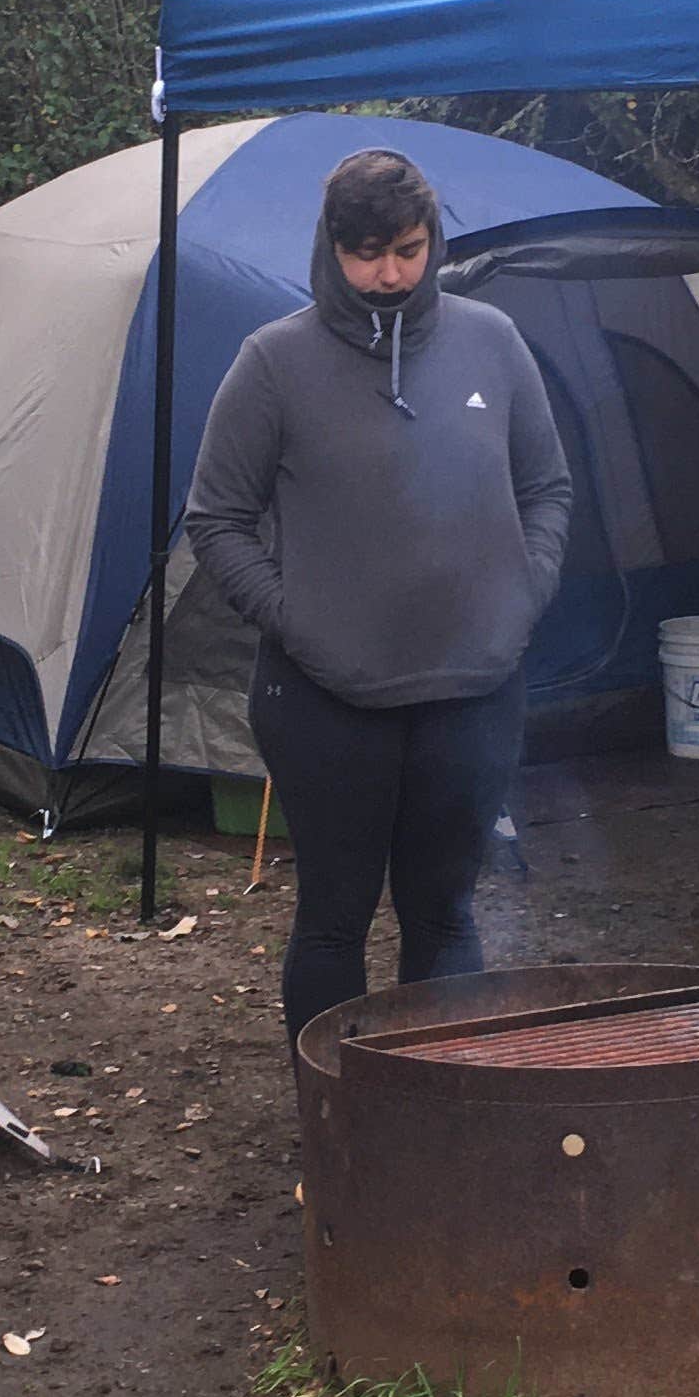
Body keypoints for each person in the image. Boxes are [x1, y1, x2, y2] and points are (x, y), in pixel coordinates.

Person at [183, 147, 574, 1040]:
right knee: (333, 918)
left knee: (445, 915)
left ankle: (443, 1110)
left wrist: (525, 593)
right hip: (324, 700)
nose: (390, 274)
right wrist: (299, 620)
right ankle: (336, 1120)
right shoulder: (274, 362)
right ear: (331, 248)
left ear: (435, 238)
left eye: (407, 248)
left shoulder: (493, 342)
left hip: (473, 689)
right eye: (366, 254)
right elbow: (216, 520)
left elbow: (546, 488)